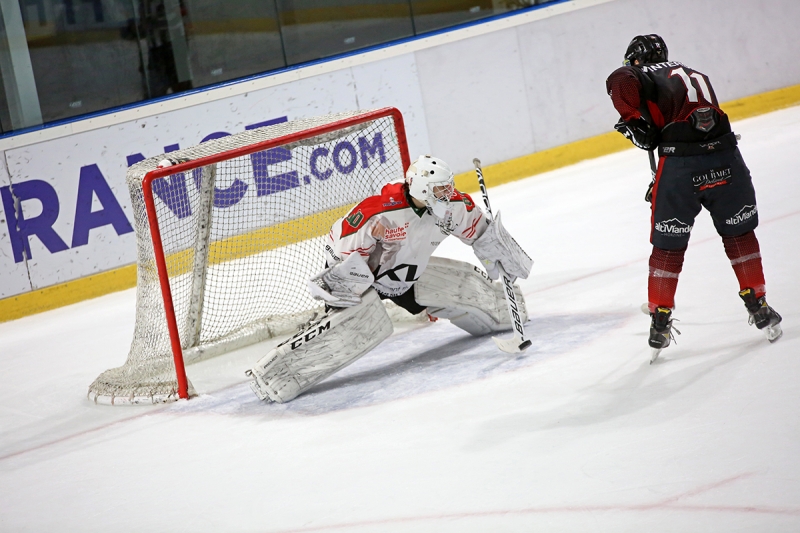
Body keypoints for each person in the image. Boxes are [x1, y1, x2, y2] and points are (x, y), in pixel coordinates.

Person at [247, 155, 533, 402]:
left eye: (449, 186)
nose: (449, 193)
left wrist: (498, 250)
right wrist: (347, 292)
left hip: (409, 275)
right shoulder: (379, 214)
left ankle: (508, 309)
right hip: (363, 279)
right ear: (421, 187)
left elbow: (481, 232)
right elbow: (342, 254)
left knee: (463, 288)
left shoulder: (454, 206)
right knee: (354, 330)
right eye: (441, 188)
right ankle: (275, 375)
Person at [605, 34, 782, 357]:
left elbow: (620, 80)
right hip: (727, 159)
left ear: (636, 58)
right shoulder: (691, 72)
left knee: (667, 248)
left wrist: (631, 119)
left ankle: (660, 320)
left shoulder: (639, 73)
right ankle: (759, 306)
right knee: (740, 234)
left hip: (681, 169)